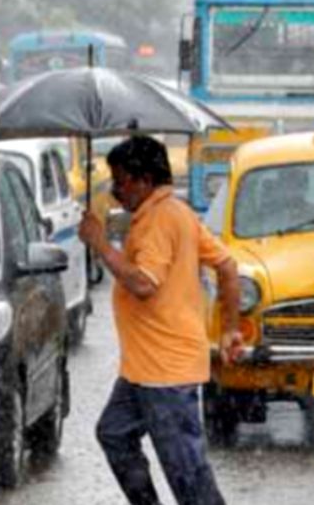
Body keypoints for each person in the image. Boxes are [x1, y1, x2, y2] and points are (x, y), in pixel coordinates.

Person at [78, 135, 244, 505]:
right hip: (144, 370)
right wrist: (231, 328)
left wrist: (101, 244)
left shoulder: (159, 220)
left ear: (145, 180)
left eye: (120, 181)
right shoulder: (178, 213)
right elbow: (228, 267)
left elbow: (142, 283)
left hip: (165, 373)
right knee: (115, 433)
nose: (116, 191)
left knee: (187, 473)